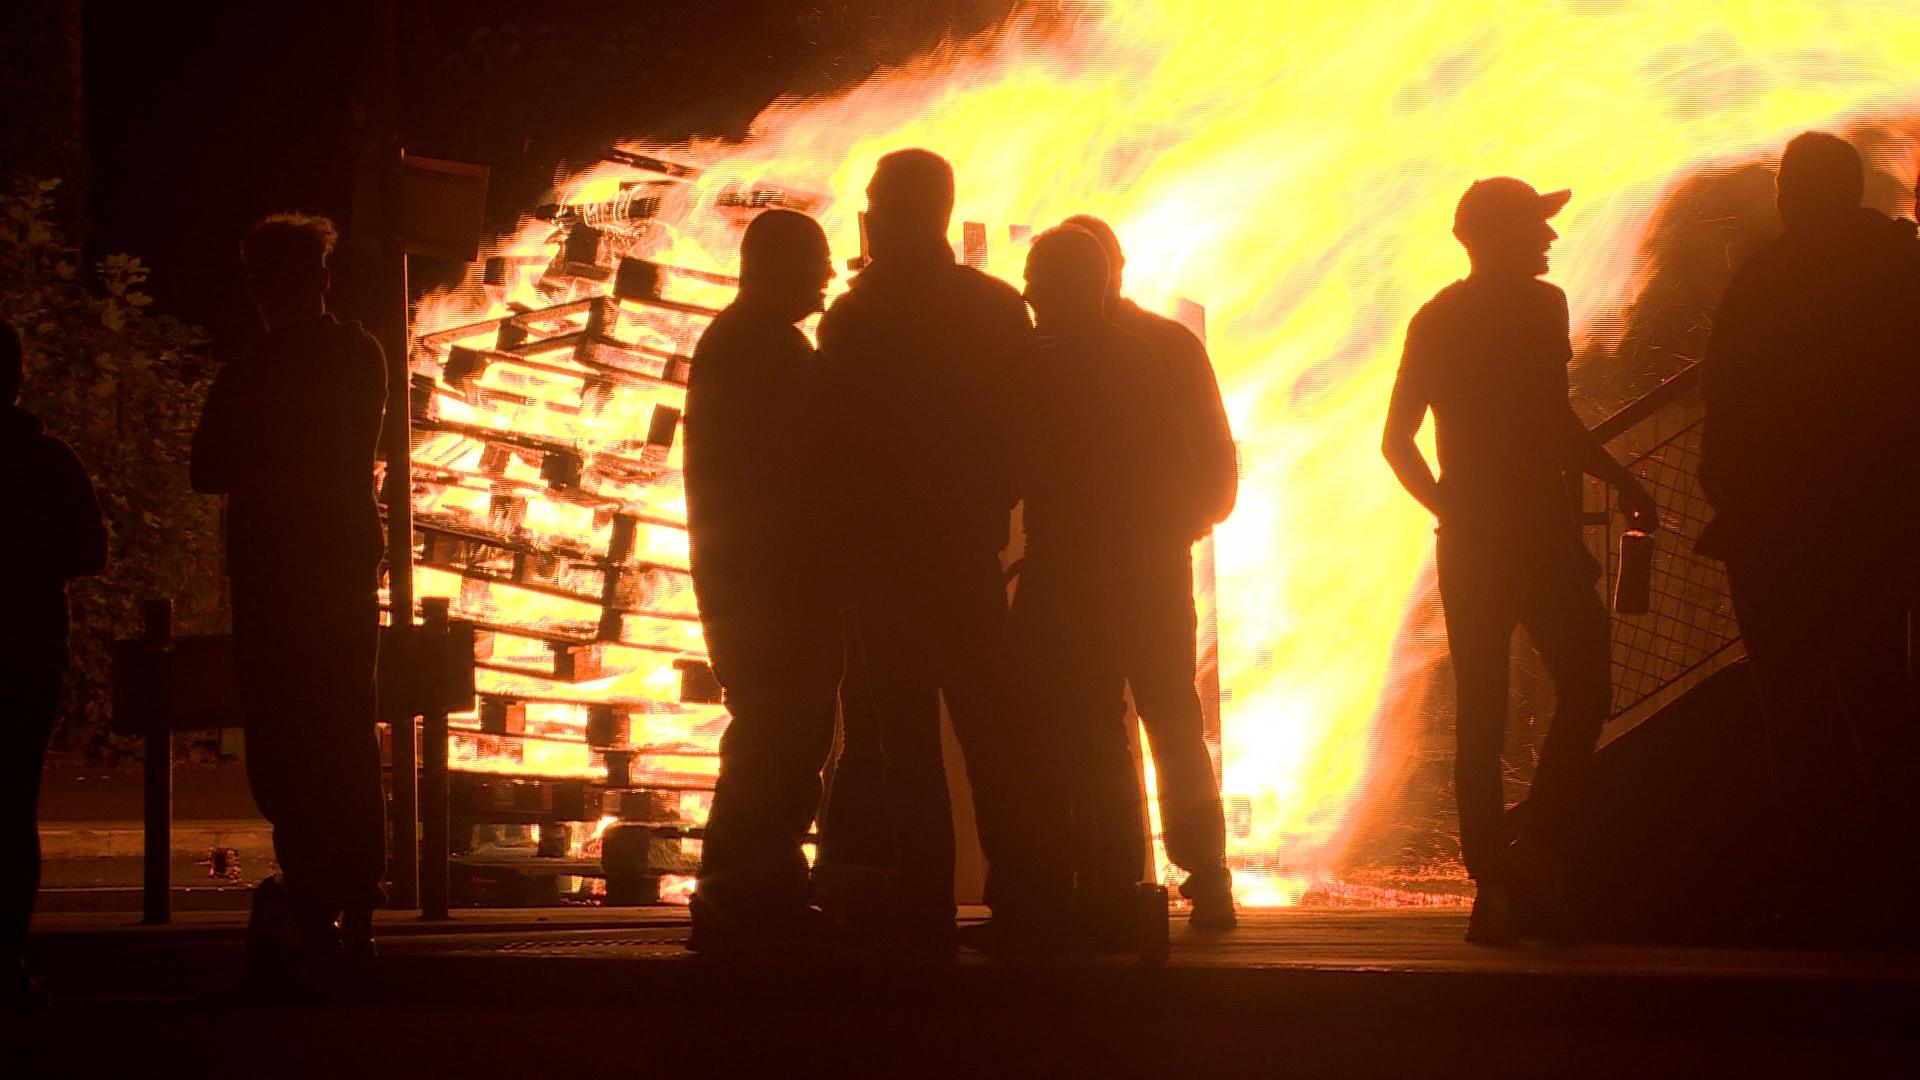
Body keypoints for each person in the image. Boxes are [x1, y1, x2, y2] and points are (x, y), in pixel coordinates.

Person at [1382, 178, 1655, 945]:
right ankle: (1531, 851)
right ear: (1492, 236)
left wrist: (1452, 513)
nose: (1550, 241)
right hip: (1538, 535)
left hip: (1479, 546)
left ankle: (1498, 881)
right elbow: (1550, 420)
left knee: (1483, 715)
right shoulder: (1540, 308)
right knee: (1586, 686)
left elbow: (1398, 443)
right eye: (1537, 227)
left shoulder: (1439, 319)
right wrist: (1623, 482)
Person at [813, 149, 1042, 951]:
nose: (868, 213)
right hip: (966, 563)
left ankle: (923, 911)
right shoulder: (995, 309)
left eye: (876, 200)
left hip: (886, 573)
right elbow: (1027, 433)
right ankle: (1028, 904)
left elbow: (833, 452)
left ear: (903, 210)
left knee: (905, 750)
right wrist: (989, 504)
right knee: (995, 739)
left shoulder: (855, 320)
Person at [1698, 132, 1920, 929]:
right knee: (1879, 697)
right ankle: (1896, 875)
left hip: (1779, 532)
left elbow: (1726, 397)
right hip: (1875, 529)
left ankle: (1818, 881)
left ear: (1802, 193)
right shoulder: (1900, 268)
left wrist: (1727, 495)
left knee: (1791, 708)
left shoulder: (1767, 279)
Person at [191, 214, 388, 985]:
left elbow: (207, 468)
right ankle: (358, 904)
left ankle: (309, 900)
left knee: (285, 744)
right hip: (340, 573)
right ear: (323, 280)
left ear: (255, 288)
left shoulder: (250, 373)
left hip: (274, 582)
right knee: (344, 733)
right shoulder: (361, 356)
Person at [1003, 227, 1186, 950]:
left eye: (1040, 279)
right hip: (1114, 569)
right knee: (1095, 728)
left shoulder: (1062, 367)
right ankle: (1109, 886)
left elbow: (1021, 465)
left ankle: (1080, 891)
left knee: (1058, 730)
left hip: (1073, 571)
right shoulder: (1132, 358)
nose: (1029, 293)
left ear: (1076, 285)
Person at [1061, 214, 1240, 930]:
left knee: (1107, 723)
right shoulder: (1167, 346)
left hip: (1093, 570)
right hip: (1152, 566)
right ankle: (1205, 876)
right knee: (1170, 719)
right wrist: (1184, 525)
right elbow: (1218, 466)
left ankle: (1117, 879)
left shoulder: (1056, 354)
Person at [685, 209, 842, 954]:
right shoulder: (767, 351)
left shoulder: (740, 342)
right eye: (816, 264)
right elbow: (812, 469)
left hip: (754, 585)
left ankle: (753, 889)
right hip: (774, 591)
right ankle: (742, 896)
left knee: (775, 740)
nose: (828, 278)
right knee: (779, 740)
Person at [1, 320, 108, 1007]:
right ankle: (6, 957)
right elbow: (91, 552)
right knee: (12, 809)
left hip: (26, 647)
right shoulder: (48, 460)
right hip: (27, 649)